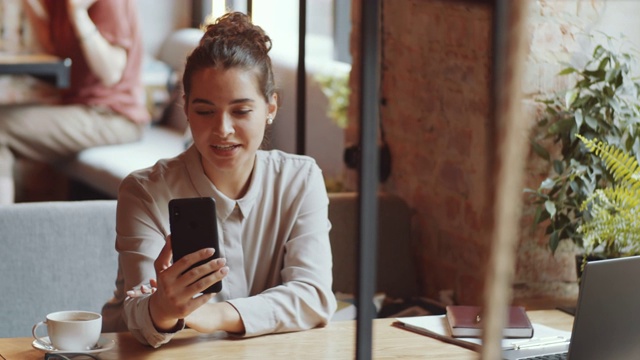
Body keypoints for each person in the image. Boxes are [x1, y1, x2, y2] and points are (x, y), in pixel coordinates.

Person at [101, 12, 337, 347]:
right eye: (205, 111)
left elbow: (313, 296)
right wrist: (163, 310)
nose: (223, 129)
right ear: (185, 108)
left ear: (271, 107)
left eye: (241, 111)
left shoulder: (300, 180)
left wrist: (214, 315)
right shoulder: (145, 191)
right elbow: (137, 312)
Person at [0, 0, 150, 204]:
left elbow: (112, 73)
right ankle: (13, 226)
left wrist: (78, 14)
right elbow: (50, 49)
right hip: (78, 109)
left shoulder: (109, 3)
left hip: (114, 116)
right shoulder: (57, 5)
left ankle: (6, 228)